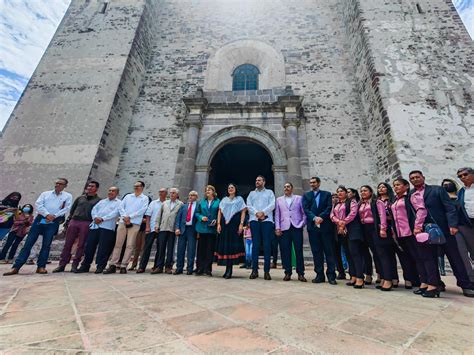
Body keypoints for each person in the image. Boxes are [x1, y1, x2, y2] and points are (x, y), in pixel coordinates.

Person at [409, 170, 474, 298]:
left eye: (417, 177)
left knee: (455, 258)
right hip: (424, 231)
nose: (415, 179)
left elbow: (449, 208)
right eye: (412, 178)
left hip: (444, 229)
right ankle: (436, 284)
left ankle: (466, 285)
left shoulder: (437, 190)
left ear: (423, 177)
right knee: (429, 259)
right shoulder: (411, 194)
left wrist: (452, 225)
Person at [4, 178, 72, 276]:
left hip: (53, 221)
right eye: (56, 183)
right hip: (41, 219)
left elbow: (66, 208)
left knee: (46, 245)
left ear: (65, 186)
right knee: (28, 243)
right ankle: (16, 266)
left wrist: (54, 216)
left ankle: (41, 266)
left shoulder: (67, 196)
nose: (57, 185)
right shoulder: (45, 193)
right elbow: (38, 204)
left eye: (60, 184)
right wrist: (47, 214)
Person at [378, 182, 419, 289]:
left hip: (397, 229)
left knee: (403, 255)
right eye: (379, 187)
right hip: (384, 231)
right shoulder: (377, 202)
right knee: (389, 255)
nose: (381, 189)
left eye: (383, 187)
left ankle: (409, 279)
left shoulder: (393, 199)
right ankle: (393, 278)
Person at [53, 181, 101, 273]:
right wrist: (68, 221)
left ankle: (75, 264)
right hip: (75, 221)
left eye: (92, 186)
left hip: (87, 222)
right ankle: (62, 264)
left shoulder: (99, 201)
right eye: (89, 186)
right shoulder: (80, 198)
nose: (89, 187)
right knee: (68, 243)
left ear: (96, 188)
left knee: (81, 245)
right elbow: (72, 210)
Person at [103, 181, 149, 274]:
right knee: (118, 244)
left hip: (135, 223)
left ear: (142, 187)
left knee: (130, 245)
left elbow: (142, 210)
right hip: (123, 222)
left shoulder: (145, 198)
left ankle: (124, 265)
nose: (136, 187)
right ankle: (113, 264)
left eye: (138, 186)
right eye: (135, 186)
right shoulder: (128, 196)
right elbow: (121, 207)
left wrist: (130, 217)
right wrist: (125, 217)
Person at [76, 187, 121, 273]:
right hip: (95, 226)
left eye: (113, 191)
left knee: (103, 248)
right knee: (89, 247)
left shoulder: (119, 203)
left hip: (107, 227)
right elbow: (94, 210)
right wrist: (95, 217)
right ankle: (85, 265)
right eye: (110, 190)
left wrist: (102, 218)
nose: (111, 192)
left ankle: (100, 266)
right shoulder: (102, 201)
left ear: (117, 193)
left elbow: (115, 213)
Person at [359, 185, 394, 291]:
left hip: (375, 228)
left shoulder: (377, 202)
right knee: (375, 254)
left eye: (365, 190)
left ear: (370, 192)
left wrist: (383, 229)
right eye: (361, 191)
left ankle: (388, 279)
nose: (363, 192)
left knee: (382, 253)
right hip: (365, 229)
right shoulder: (361, 204)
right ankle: (382, 277)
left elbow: (382, 215)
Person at [330, 186, 365, 288]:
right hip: (341, 231)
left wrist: (343, 222)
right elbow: (332, 215)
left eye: (341, 191)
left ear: (346, 193)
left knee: (355, 253)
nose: (339, 193)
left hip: (352, 230)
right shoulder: (336, 204)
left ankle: (360, 277)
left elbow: (353, 213)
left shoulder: (352, 202)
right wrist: (339, 222)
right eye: (338, 192)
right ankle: (353, 276)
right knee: (348, 254)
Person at [302, 177, 335, 284]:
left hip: (325, 226)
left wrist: (321, 217)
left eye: (314, 182)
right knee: (316, 252)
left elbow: (329, 207)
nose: (312, 184)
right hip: (313, 227)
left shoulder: (327, 194)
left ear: (319, 183)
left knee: (329, 251)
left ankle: (331, 276)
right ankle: (319, 275)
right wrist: (314, 218)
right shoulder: (306, 195)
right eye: (311, 183)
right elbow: (306, 209)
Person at [276, 182, 307, 282]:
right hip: (284, 227)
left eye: (288, 186)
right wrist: (277, 227)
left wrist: (302, 223)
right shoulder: (279, 200)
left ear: (292, 188)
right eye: (284, 187)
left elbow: (304, 212)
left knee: (298, 250)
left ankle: (301, 273)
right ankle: (287, 272)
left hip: (296, 226)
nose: (286, 188)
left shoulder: (299, 198)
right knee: (285, 251)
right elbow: (277, 215)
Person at [247, 175, 276, 280]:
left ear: (264, 182)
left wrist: (263, 212)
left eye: (259, 180)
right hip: (254, 221)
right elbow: (248, 205)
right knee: (255, 246)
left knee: (267, 245)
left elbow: (273, 204)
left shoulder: (270, 192)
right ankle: (254, 270)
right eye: (256, 180)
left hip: (267, 221)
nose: (257, 182)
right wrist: (257, 213)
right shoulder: (251, 193)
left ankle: (266, 271)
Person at [215, 183, 247, 279]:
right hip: (225, 225)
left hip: (235, 224)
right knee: (226, 246)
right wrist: (218, 224)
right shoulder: (224, 200)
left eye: (232, 187)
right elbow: (220, 211)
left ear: (235, 189)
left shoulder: (239, 199)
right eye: (229, 188)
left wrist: (241, 224)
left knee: (232, 247)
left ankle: (230, 270)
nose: (230, 189)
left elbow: (243, 211)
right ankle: (227, 269)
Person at [137, 188, 167, 273]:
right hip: (152, 227)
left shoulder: (167, 203)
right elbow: (148, 215)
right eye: (160, 192)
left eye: (162, 192)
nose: (160, 193)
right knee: (147, 247)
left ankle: (157, 266)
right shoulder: (153, 203)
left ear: (166, 193)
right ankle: (142, 266)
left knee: (160, 248)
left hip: (162, 228)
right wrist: (147, 227)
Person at [154, 188, 183, 274]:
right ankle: (159, 266)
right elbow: (159, 215)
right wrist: (156, 225)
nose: (171, 194)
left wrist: (178, 228)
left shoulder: (180, 204)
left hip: (173, 229)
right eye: (170, 193)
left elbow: (180, 217)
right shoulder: (164, 203)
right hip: (163, 227)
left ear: (177, 195)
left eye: (173, 193)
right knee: (161, 248)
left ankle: (168, 266)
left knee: (170, 248)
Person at [195, 185, 220, 276]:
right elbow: (197, 213)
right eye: (206, 190)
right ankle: (199, 268)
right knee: (201, 249)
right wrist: (201, 217)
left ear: (213, 191)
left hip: (212, 229)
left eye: (209, 190)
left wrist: (217, 221)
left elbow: (220, 213)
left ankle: (208, 269)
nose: (207, 191)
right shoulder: (202, 202)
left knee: (210, 249)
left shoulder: (218, 202)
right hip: (202, 228)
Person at [456, 167, 474, 285]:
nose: (463, 177)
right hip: (469, 223)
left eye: (465, 174)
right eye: (460, 176)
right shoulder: (461, 191)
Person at [174, 190, 199, 275]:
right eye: (190, 195)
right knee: (180, 249)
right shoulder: (184, 206)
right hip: (182, 229)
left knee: (191, 250)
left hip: (192, 229)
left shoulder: (198, 206)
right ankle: (179, 267)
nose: (191, 197)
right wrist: (177, 228)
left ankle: (189, 268)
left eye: (193, 195)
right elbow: (178, 218)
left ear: (196, 197)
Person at [439, 179, 459, 276]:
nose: (447, 186)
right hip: (449, 227)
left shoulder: (461, 195)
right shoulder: (441, 198)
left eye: (449, 184)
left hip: (464, 225)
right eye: (444, 185)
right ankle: (442, 269)